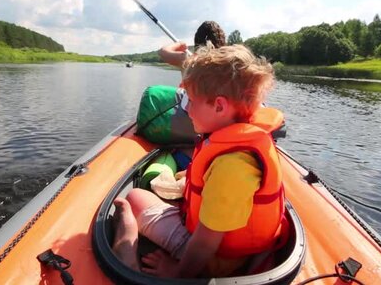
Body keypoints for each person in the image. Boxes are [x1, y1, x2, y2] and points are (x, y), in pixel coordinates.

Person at [112, 45, 286, 278]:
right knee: (146, 197)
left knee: (134, 198)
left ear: (219, 106)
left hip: (217, 261)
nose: (187, 109)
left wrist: (176, 272)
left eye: (191, 101)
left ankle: (127, 254)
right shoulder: (238, 144)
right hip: (228, 248)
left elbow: (205, 243)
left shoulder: (231, 167)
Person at [158, 20, 227, 68]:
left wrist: (180, 44)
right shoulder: (230, 63)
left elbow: (162, 51)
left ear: (197, 41)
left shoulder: (190, 62)